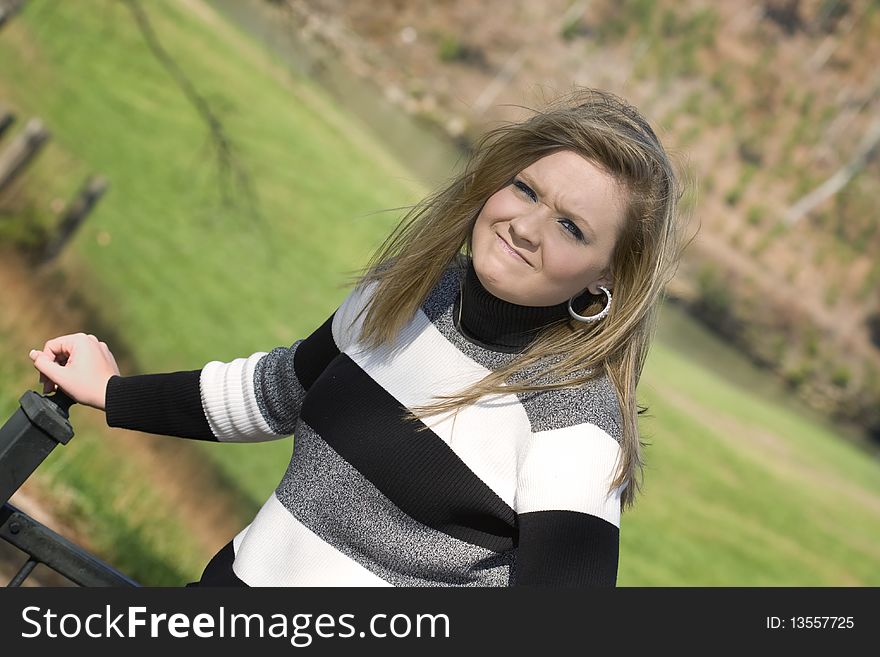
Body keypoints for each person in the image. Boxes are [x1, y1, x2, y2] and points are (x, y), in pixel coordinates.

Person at [28, 87, 686, 587]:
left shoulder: (576, 420)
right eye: (526, 188)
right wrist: (114, 392)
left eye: (572, 226)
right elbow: (278, 392)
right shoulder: (411, 290)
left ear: (606, 278)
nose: (527, 225)